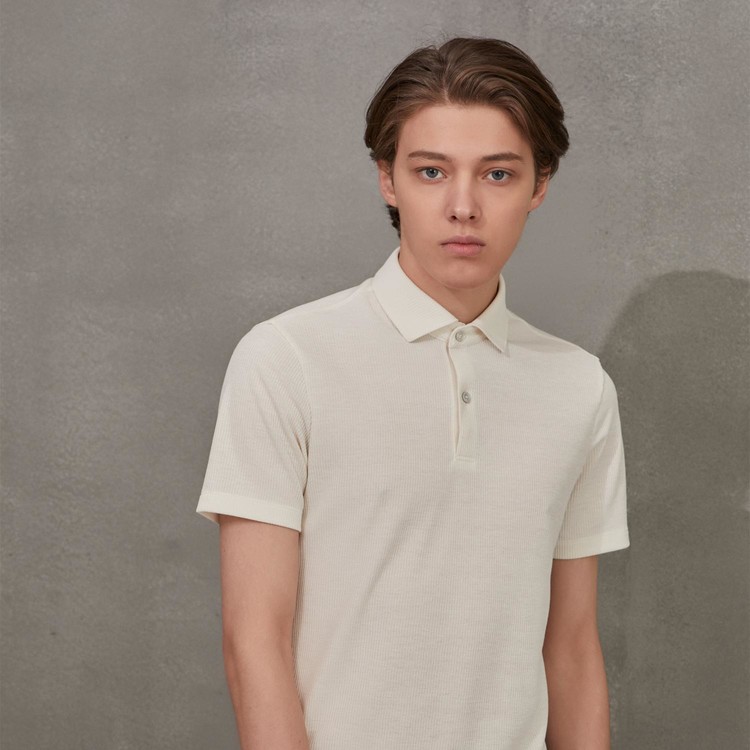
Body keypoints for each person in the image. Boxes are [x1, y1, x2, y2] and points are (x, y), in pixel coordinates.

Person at [196, 36, 630, 750]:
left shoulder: (579, 387)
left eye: (497, 174)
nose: (463, 206)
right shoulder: (286, 359)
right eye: (431, 171)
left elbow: (573, 649)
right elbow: (254, 643)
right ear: (387, 180)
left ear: (539, 185)